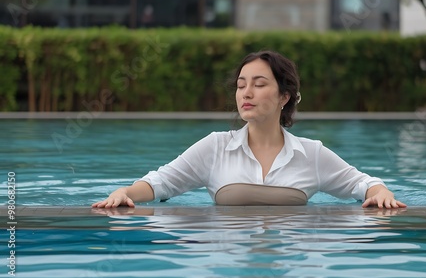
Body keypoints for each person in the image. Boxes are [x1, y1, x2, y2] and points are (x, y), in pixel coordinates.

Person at [92, 51, 406, 209]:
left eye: (258, 84)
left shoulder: (311, 154)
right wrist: (125, 192)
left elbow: (363, 183)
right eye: (241, 86)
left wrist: (382, 194)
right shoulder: (215, 147)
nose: (246, 93)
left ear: (284, 96)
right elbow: (161, 182)